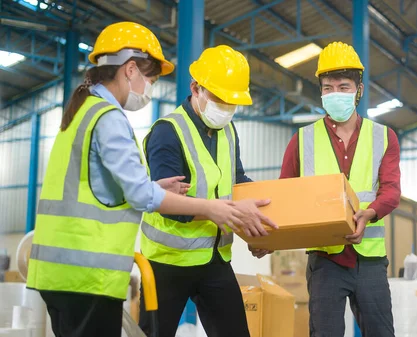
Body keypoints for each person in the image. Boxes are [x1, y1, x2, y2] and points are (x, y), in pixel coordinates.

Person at [26, 22, 264, 337]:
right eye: (150, 78)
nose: (150, 87)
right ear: (130, 70)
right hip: (98, 270)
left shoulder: (84, 110)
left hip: (71, 270)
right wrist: (213, 209)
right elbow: (141, 195)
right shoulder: (114, 119)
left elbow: (107, 189)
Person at [139, 45, 276, 337]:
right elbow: (167, 202)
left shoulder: (228, 130)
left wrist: (263, 223)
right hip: (167, 263)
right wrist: (228, 213)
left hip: (214, 259)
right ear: (195, 88)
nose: (226, 107)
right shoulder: (167, 131)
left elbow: (236, 181)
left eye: (232, 101)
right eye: (219, 98)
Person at [265, 41, 401, 337]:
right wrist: (269, 239)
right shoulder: (301, 140)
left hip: (370, 261)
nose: (335, 94)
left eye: (343, 86)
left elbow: (391, 191)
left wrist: (369, 214)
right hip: (325, 261)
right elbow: (283, 199)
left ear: (359, 90)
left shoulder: (384, 136)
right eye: (328, 88)